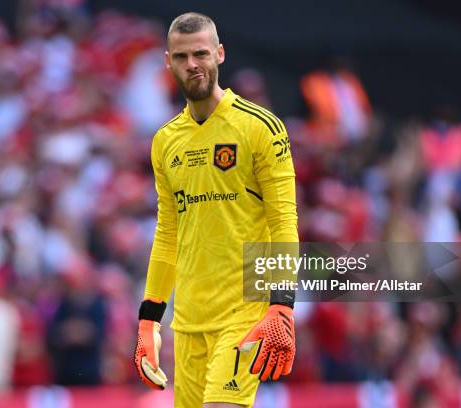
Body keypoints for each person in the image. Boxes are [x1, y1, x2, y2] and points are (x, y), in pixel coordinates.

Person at [134, 12, 298, 408]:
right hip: (188, 323)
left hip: (245, 312)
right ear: (168, 61)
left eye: (201, 54)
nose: (192, 65)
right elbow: (168, 234)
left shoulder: (261, 127)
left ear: (220, 54)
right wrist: (148, 318)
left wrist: (282, 307)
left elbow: (283, 222)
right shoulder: (165, 142)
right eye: (182, 57)